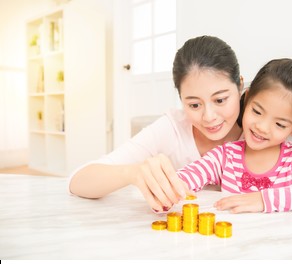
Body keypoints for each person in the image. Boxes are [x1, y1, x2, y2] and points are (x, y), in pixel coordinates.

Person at [69, 35, 245, 212]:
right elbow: (78, 181)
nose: (209, 116)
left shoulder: (262, 131)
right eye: (194, 105)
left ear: (240, 87)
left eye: (220, 100)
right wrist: (133, 173)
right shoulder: (172, 128)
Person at [177, 58, 292, 214]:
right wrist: (167, 186)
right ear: (247, 98)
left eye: (280, 124)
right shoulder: (226, 156)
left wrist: (266, 199)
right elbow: (187, 177)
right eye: (257, 112)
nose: (262, 127)